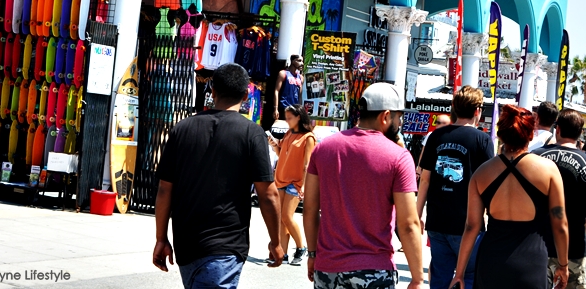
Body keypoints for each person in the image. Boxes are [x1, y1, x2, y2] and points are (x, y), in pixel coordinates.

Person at [154, 63, 283, 289]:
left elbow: (165, 189)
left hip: (186, 244)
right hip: (226, 246)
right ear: (245, 94)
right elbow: (269, 195)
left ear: (212, 91)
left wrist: (161, 238)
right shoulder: (252, 133)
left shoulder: (182, 128)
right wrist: (276, 241)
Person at [303, 82, 424, 288]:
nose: (400, 122)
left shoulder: (323, 149)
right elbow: (408, 224)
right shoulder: (399, 157)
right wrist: (417, 277)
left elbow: (310, 209)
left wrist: (313, 254)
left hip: (328, 269)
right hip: (373, 270)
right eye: (398, 116)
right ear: (385, 116)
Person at [449, 105, 569, 289]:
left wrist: (459, 273)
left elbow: (472, 226)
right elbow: (560, 223)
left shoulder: (482, 173)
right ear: (531, 134)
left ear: (501, 134)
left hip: (491, 262)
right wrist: (563, 265)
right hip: (531, 263)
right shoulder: (548, 170)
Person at [416, 86, 494, 289]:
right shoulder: (482, 140)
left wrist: (417, 214)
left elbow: (425, 179)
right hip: (468, 223)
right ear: (478, 110)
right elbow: (490, 183)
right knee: (468, 277)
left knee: (440, 275)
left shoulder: (436, 136)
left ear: (453, 108)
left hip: (437, 220)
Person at [533, 109, 586, 289]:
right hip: (571, 249)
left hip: (535, 246)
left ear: (557, 129)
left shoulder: (535, 157)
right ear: (580, 133)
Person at [268, 104, 317, 266]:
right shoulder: (289, 133)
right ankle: (283, 252)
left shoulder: (308, 137)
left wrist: (303, 186)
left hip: (295, 183)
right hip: (281, 179)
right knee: (282, 219)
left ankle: (301, 247)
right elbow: (282, 153)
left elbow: (307, 164)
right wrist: (274, 144)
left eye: (289, 118)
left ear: (299, 117)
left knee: (287, 216)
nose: (287, 121)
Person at [415, 114, 451, 179]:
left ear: (447, 124)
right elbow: (423, 153)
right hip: (431, 169)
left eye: (439, 123)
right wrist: (419, 169)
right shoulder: (430, 135)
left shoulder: (452, 136)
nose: (436, 124)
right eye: (436, 122)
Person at [273, 55, 303, 120]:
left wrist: (300, 110)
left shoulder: (300, 77)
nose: (302, 63)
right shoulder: (283, 73)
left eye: (302, 61)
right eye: (299, 61)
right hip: (284, 107)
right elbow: (276, 91)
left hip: (295, 109)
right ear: (292, 61)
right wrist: (276, 108)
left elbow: (299, 96)